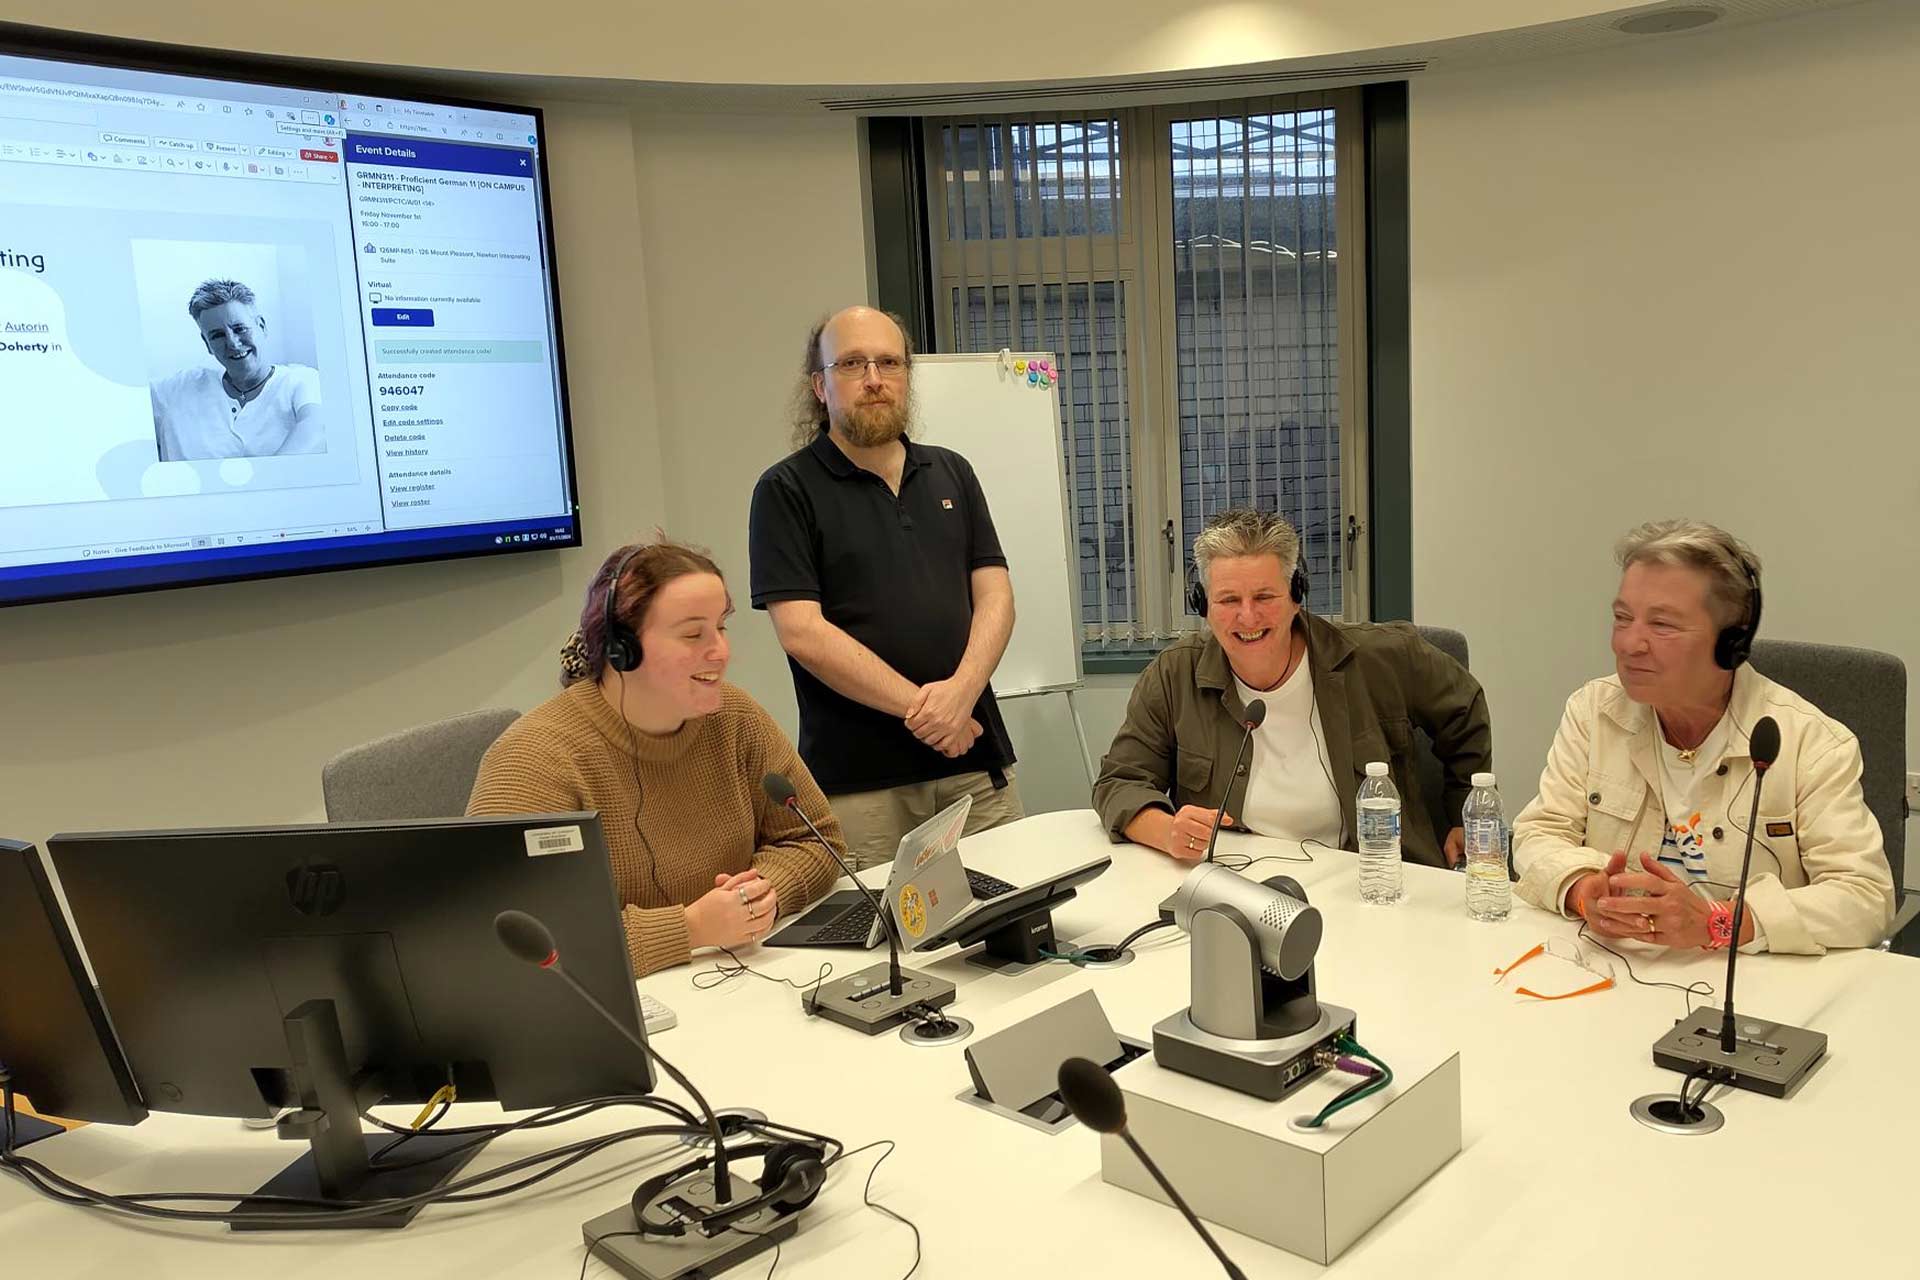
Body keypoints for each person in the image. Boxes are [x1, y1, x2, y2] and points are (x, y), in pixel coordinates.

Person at [1513, 520, 1894, 954]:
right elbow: (1538, 832)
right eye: (1622, 618)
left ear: (1731, 643)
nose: (1628, 644)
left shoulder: (1812, 743)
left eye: (1662, 625)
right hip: (1613, 968)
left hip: (1751, 989)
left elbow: (1865, 898)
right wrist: (1582, 890)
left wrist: (1723, 922)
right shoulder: (1594, 711)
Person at [467, 538, 841, 978]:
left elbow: (816, 840)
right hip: (618, 1013)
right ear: (621, 650)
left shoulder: (736, 718)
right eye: (692, 634)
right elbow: (501, 941)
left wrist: (765, 894)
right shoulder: (536, 759)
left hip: (729, 984)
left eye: (721, 627)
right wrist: (690, 928)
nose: (720, 651)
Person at [748, 305, 1022, 870]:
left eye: (889, 362)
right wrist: (929, 711)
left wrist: (961, 693)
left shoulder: (953, 472)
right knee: (884, 946)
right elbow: (802, 632)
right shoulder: (785, 490)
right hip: (862, 786)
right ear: (819, 386)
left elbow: (996, 597)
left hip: (974, 759)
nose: (874, 378)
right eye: (852, 363)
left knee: (1011, 931)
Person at [1094, 508, 1491, 867]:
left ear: (1296, 595)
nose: (1247, 617)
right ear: (1203, 605)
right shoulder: (1175, 674)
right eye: (1228, 599)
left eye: (1264, 596)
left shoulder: (1380, 656)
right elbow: (1119, 782)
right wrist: (1167, 831)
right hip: (1239, 885)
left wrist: (1461, 811)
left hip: (1369, 881)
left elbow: (1465, 706)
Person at [151, 278, 322, 462]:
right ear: (207, 344)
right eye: (217, 335)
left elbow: (316, 427)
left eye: (239, 329)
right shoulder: (176, 388)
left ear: (261, 326)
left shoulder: (301, 380)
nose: (232, 343)